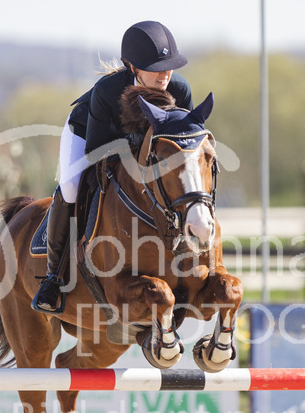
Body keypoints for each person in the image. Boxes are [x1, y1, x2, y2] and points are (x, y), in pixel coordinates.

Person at [32, 20, 194, 314]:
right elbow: (96, 150)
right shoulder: (108, 90)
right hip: (87, 135)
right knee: (71, 188)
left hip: (143, 153)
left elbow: (188, 144)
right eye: (156, 67)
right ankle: (53, 277)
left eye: (169, 65)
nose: (165, 73)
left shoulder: (180, 90)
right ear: (133, 68)